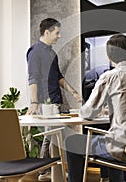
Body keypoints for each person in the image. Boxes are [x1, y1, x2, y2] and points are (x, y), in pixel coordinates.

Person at [65, 34, 126, 182]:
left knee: (72, 142)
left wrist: (87, 110)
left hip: (123, 151)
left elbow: (88, 112)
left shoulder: (111, 76)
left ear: (109, 56)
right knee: (112, 136)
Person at [26, 18, 81, 181]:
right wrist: (35, 102)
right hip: (44, 102)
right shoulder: (35, 51)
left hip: (55, 99)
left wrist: (73, 92)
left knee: (53, 137)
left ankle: (48, 170)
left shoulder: (52, 53)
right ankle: (44, 170)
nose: (59, 36)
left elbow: (59, 77)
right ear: (47, 32)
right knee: (51, 137)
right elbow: (33, 78)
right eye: (57, 32)